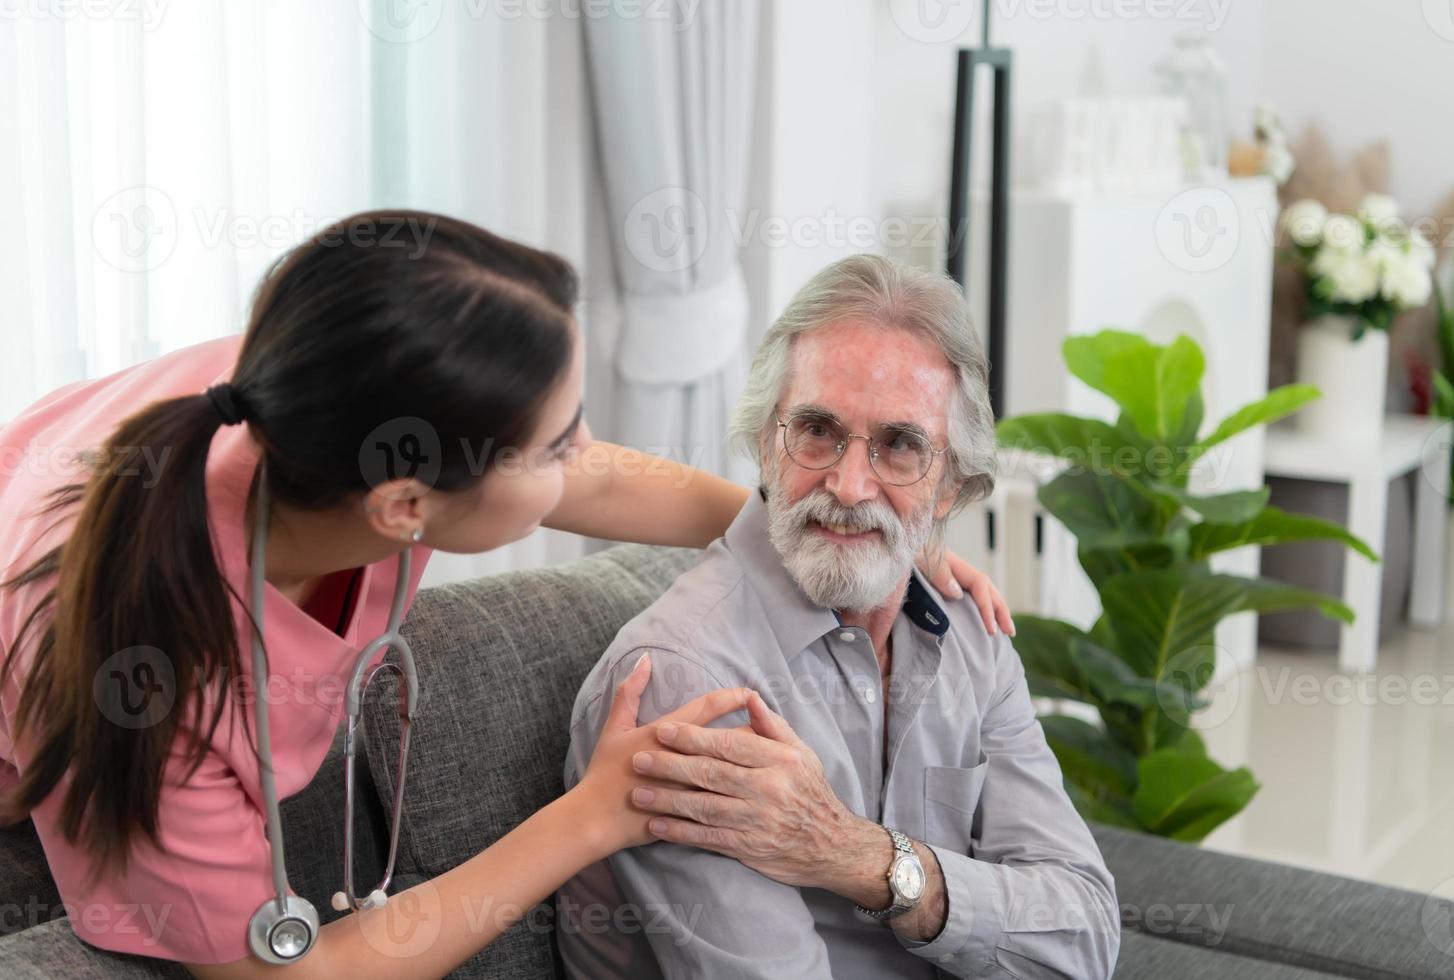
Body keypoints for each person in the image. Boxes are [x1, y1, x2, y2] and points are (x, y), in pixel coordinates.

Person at [0, 212, 1010, 978]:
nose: (580, 454)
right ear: (405, 503)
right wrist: (595, 810)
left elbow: (598, 478)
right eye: (554, 441)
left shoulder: (324, 392)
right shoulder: (140, 667)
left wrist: (849, 538)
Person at [559, 254, 1119, 979]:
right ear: (766, 442)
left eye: (899, 446)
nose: (851, 486)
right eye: (817, 431)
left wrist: (867, 859)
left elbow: (1084, 940)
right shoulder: (690, 684)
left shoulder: (969, 632)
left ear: (951, 486)